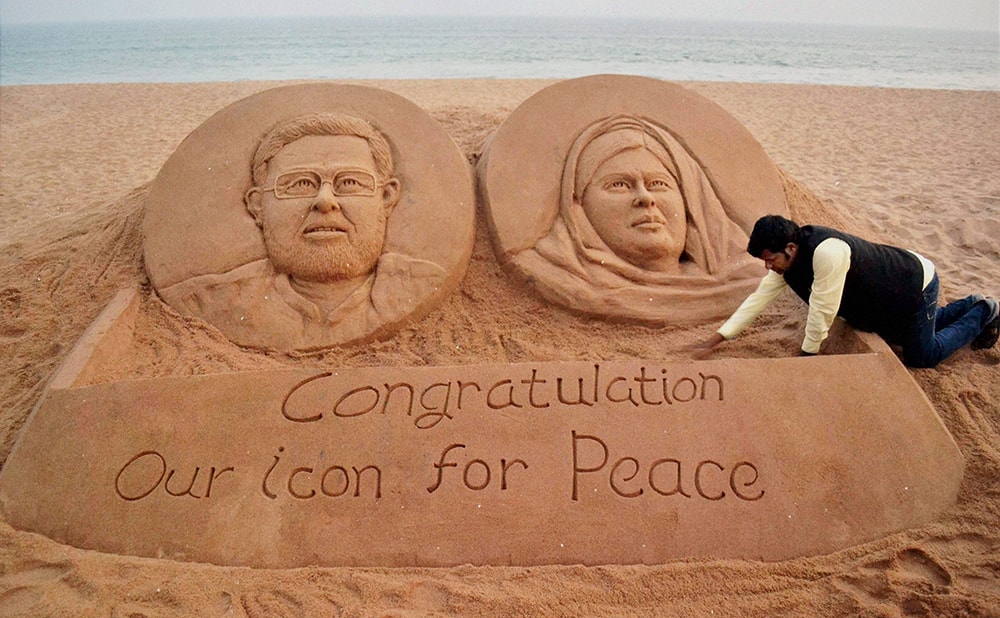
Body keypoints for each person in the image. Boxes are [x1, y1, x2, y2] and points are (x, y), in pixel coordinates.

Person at [160, 112, 447, 351]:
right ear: (258, 205)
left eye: (349, 183)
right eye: (299, 184)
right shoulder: (206, 304)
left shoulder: (426, 286)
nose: (325, 201)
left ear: (386, 198)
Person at [514, 115, 763, 324]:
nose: (645, 198)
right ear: (577, 206)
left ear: (689, 201)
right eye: (619, 185)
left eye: (658, 184)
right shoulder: (553, 274)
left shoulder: (746, 280)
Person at [691, 215, 999, 367]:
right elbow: (757, 301)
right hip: (888, 298)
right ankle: (969, 303)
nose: (767, 267)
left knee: (921, 355)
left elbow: (822, 310)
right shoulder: (789, 263)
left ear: (789, 247)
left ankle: (983, 311)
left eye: (769, 259)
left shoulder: (827, 253)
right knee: (907, 336)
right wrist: (717, 338)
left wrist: (806, 356)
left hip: (914, 284)